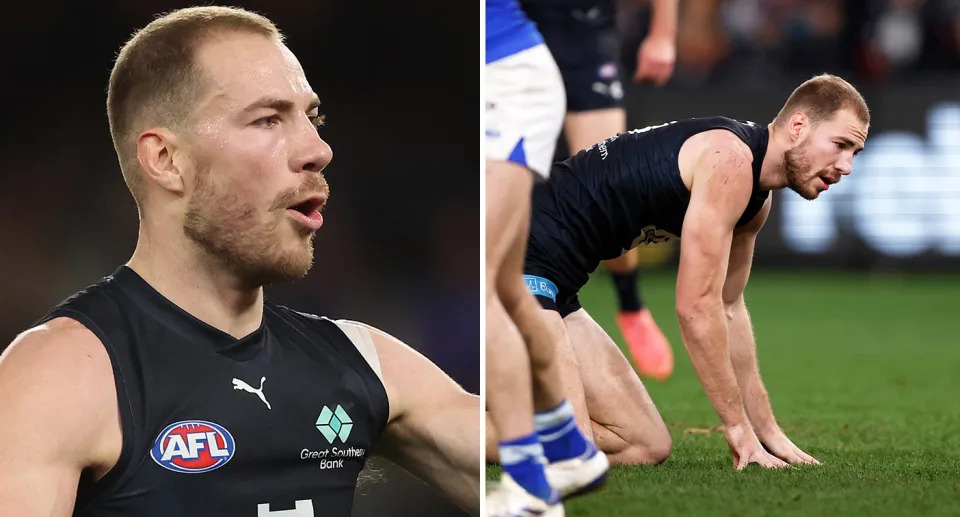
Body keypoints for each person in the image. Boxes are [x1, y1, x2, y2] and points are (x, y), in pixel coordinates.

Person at [0, 7, 479, 516]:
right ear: (165, 160)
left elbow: (544, 463)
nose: (318, 149)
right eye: (268, 119)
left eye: (312, 119)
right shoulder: (59, 377)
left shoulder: (361, 362)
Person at [522, 74, 868, 468]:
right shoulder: (731, 162)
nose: (846, 166)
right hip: (512, 254)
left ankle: (526, 425)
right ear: (798, 126)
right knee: (574, 453)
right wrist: (737, 430)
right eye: (840, 145)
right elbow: (695, 309)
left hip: (557, 288)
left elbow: (728, 307)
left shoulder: (756, 200)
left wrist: (767, 431)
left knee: (645, 445)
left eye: (855, 152)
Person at [485, 0, 608, 515]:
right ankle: (568, 449)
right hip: (502, 79)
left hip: (505, 83)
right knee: (509, 291)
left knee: (482, 288)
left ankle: (531, 487)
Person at [521, 0, 679, 382]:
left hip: (584, 32)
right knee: (510, 182)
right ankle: (519, 303)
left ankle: (631, 303)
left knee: (611, 186)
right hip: (516, 32)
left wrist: (662, 34)